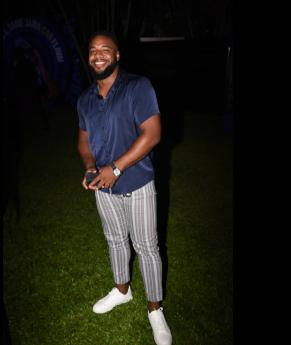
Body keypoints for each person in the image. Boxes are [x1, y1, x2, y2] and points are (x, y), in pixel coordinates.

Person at [76, 31, 172, 345]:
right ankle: (122, 290)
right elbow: (84, 141)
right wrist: (91, 167)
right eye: (92, 50)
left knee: (146, 247)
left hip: (137, 182)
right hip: (103, 187)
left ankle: (155, 308)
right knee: (115, 240)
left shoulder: (137, 87)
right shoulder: (85, 99)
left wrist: (116, 168)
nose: (98, 55)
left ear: (117, 55)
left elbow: (153, 133)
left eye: (105, 49)